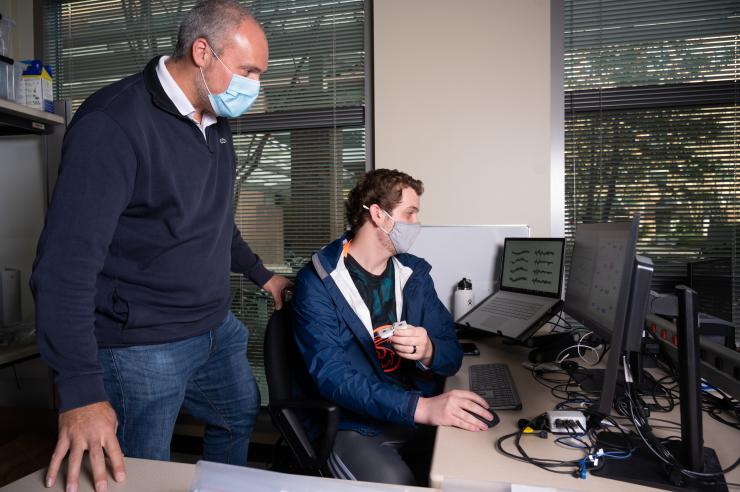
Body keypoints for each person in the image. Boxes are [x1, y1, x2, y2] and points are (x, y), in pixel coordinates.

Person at [30, 1, 292, 491]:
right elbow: (64, 267)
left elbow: (212, 223)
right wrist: (80, 391)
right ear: (202, 52)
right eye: (248, 71)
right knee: (140, 474)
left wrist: (264, 275)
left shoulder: (215, 119)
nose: (255, 86)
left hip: (216, 329)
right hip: (141, 346)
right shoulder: (114, 123)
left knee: (238, 417)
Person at [292, 169, 493, 486]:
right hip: (356, 423)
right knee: (398, 482)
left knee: (479, 466)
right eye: (410, 214)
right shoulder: (319, 281)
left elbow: (451, 354)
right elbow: (333, 377)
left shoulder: (413, 274)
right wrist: (420, 408)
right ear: (378, 215)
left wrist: (429, 351)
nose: (416, 225)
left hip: (415, 411)